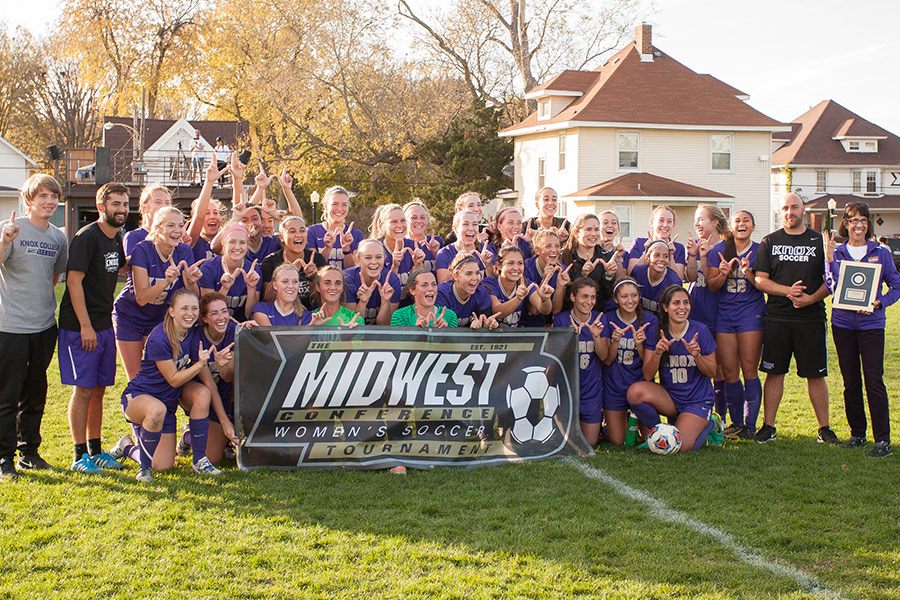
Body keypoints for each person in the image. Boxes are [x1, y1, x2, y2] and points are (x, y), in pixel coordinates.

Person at [752, 193, 837, 444]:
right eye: (785, 208)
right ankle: (769, 426)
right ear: (780, 212)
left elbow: (830, 279)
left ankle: (824, 428)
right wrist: (787, 291)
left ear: (803, 210)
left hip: (810, 317)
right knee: (774, 372)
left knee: (815, 374)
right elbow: (760, 280)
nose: (790, 212)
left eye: (794, 207)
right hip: (777, 317)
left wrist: (811, 299)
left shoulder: (819, 241)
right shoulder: (770, 241)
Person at [112, 289, 223, 482]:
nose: (190, 313)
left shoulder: (192, 332)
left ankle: (199, 460)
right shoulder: (160, 338)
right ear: (171, 311)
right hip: (140, 398)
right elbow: (173, 379)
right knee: (157, 410)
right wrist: (199, 364)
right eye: (184, 308)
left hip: (168, 403)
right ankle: (139, 462)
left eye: (194, 308)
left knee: (164, 464)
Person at [57, 183, 129, 474]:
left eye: (125, 204)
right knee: (83, 390)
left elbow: (120, 268)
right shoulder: (87, 237)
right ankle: (78, 456)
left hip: (103, 324)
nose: (122, 209)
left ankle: (96, 451)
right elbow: (73, 282)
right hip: (80, 327)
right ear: (102, 207)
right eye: (115, 204)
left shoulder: (117, 238)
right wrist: (85, 326)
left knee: (99, 389)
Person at [0, 174, 67, 480]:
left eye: (53, 196)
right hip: (10, 326)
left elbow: (53, 277)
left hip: (43, 325)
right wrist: (4, 241)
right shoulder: (12, 229)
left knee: (36, 390)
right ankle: (3, 459)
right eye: (42, 196)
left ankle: (29, 452)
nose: (49, 201)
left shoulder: (58, 237)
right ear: (29, 200)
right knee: (7, 394)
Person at [825, 202, 900, 457]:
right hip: (843, 324)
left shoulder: (881, 252)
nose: (858, 224)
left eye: (863, 220)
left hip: (871, 326)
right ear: (845, 223)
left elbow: (897, 286)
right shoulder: (836, 252)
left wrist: (880, 302)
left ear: (868, 224)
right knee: (850, 382)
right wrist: (827, 258)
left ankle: (882, 441)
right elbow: (831, 285)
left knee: (874, 381)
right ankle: (857, 434)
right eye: (853, 220)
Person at [626, 285, 722, 452]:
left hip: (696, 400)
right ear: (665, 307)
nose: (682, 307)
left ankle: (710, 424)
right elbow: (648, 376)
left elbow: (712, 372)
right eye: (676, 303)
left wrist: (697, 356)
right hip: (671, 398)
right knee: (635, 392)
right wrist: (657, 353)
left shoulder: (700, 331)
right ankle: (659, 432)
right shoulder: (657, 332)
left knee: (680, 447)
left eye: (686, 302)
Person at [113, 206, 204, 380]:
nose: (177, 230)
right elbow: (141, 298)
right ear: (157, 228)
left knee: (156, 373)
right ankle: (134, 406)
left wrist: (191, 282)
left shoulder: (184, 250)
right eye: (170, 225)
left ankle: (157, 407)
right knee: (136, 375)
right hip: (130, 316)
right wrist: (166, 282)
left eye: (180, 225)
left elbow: (191, 295)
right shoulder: (143, 250)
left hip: (157, 318)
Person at [706, 210, 765, 439]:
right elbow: (712, 286)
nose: (742, 224)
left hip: (751, 314)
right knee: (729, 371)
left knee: (749, 368)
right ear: (730, 227)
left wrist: (747, 271)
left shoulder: (761, 250)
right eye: (737, 221)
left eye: (746, 221)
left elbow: (761, 285)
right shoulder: (719, 250)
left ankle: (750, 425)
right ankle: (736, 422)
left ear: (752, 225)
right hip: (726, 316)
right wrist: (722, 274)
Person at [685, 204, 730, 421]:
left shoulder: (724, 248)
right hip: (695, 312)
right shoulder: (693, 246)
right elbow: (691, 278)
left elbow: (714, 282)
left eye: (701, 219)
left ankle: (720, 417)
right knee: (696, 365)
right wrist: (692, 256)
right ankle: (698, 413)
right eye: (695, 219)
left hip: (716, 313)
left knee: (718, 369)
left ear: (714, 222)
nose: (697, 224)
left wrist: (704, 256)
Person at [598, 278, 656, 445]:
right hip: (614, 384)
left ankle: (635, 418)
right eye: (624, 296)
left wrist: (639, 345)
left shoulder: (650, 321)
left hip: (640, 384)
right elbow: (607, 361)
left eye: (634, 296)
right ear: (616, 299)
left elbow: (648, 363)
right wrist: (615, 341)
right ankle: (614, 423)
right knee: (618, 440)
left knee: (649, 437)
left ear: (639, 297)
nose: (630, 301)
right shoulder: (608, 319)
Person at [553, 278, 607, 445]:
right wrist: (572, 338)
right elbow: (557, 358)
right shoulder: (562, 319)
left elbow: (604, 356)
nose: (589, 301)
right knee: (565, 442)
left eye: (592, 297)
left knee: (589, 442)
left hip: (591, 389)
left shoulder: (599, 318)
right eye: (584, 296)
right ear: (573, 297)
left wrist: (596, 337)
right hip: (567, 389)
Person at [195, 292, 241, 464]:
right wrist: (225, 423)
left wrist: (222, 365)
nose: (221, 317)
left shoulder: (234, 333)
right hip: (197, 394)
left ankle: (189, 438)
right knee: (203, 393)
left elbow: (229, 377)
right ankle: (191, 431)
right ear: (204, 318)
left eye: (224, 311)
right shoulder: (197, 337)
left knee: (212, 457)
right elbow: (208, 384)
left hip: (222, 394)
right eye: (214, 313)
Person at [198, 225, 262, 322]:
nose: (237, 247)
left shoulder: (254, 270)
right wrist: (225, 288)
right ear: (223, 243)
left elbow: (250, 314)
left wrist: (251, 287)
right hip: (215, 325)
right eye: (232, 242)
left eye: (242, 242)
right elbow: (209, 312)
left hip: (241, 327)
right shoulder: (208, 268)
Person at [260, 216, 325, 309]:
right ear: (281, 237)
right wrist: (283, 273)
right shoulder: (270, 262)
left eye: (302, 231)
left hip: (308, 317)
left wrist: (312, 278)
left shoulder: (317, 259)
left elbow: (321, 302)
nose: (298, 235)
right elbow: (268, 300)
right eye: (292, 231)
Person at [482, 245, 553, 327]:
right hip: (491, 336)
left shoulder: (526, 284)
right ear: (499, 266)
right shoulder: (489, 283)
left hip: (515, 336)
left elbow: (544, 310)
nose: (516, 268)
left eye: (520, 263)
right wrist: (518, 298)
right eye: (510, 263)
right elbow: (498, 312)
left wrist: (545, 298)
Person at [560, 214, 618, 310]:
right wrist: (583, 276)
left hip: (596, 315)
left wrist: (609, 276)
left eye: (596, 230)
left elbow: (607, 296)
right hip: (569, 314)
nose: (593, 234)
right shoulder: (565, 256)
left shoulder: (606, 256)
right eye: (588, 229)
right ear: (576, 233)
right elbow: (564, 294)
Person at [371, 204, 425, 304]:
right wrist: (394, 266)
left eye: (403, 221)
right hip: (384, 306)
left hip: (409, 308)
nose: (400, 225)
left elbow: (418, 289)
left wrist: (418, 265)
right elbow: (382, 288)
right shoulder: (376, 249)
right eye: (394, 222)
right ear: (383, 225)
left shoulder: (414, 246)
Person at [342, 240, 400, 325]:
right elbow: (352, 323)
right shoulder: (348, 278)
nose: (374, 262)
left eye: (379, 257)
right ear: (358, 259)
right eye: (368, 257)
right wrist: (362, 302)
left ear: (384, 258)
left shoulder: (392, 280)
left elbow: (384, 325)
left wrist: (385, 302)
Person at [306, 186, 363, 269]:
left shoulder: (356, 234)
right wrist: (327, 248)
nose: (340, 209)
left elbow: (354, 271)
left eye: (344, 205)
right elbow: (313, 268)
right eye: (335, 204)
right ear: (326, 206)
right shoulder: (312, 231)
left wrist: (346, 249)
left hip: (345, 281)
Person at [522, 229, 570, 326]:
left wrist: (560, 286)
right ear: (537, 250)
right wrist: (545, 280)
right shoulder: (526, 267)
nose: (554, 250)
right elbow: (533, 309)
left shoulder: (562, 269)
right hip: (524, 321)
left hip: (547, 322)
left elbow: (556, 311)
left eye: (557, 246)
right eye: (548, 246)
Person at [435, 254, 497, 329]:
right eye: (469, 274)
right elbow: (440, 329)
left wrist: (486, 325)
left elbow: (484, 322)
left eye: (477, 273)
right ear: (456, 276)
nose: (475, 278)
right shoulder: (442, 293)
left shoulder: (481, 292)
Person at [626, 205, 687, 279]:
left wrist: (670, 256)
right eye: (661, 220)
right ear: (652, 223)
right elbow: (631, 274)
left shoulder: (678, 248)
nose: (665, 225)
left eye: (669, 221)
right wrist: (647, 252)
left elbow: (679, 279)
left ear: (673, 225)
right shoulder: (639, 243)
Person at [436, 211, 494, 283]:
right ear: (455, 229)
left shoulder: (485, 250)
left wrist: (488, 265)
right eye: (465, 224)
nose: (471, 228)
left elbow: (494, 284)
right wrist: (456, 264)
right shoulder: (445, 253)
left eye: (475, 224)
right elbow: (442, 285)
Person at [390, 269, 458, 327]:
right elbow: (398, 342)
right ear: (412, 291)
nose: (431, 289)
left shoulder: (450, 315)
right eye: (424, 285)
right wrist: (417, 332)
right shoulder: (399, 315)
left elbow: (454, 342)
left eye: (434, 284)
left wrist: (444, 333)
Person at [630, 241, 683, 312]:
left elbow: (675, 312)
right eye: (657, 255)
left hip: (661, 321)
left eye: (666, 256)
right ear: (647, 259)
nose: (661, 259)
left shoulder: (673, 281)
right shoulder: (638, 272)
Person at [123, 183, 171, 257]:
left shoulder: (174, 237)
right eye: (158, 202)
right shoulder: (133, 236)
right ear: (144, 208)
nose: (164, 206)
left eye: (167, 203)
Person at [403, 200, 442, 272]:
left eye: (422, 217)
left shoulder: (437, 242)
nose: (419, 221)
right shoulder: (402, 245)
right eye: (414, 218)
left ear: (427, 220)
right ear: (405, 220)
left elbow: (446, 271)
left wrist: (436, 254)